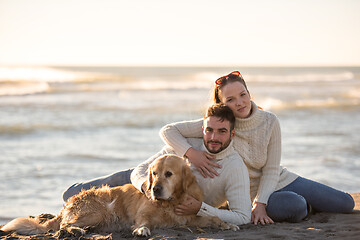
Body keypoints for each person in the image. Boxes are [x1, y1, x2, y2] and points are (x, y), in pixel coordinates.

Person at [159, 71, 355, 225]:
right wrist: (192, 154)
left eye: (242, 95)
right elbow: (168, 131)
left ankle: (307, 202)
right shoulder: (222, 126)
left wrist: (261, 204)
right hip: (249, 194)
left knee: (347, 203)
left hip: (280, 180)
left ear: (249, 93)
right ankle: (307, 205)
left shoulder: (270, 121)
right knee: (296, 206)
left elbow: (271, 170)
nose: (240, 102)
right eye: (231, 100)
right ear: (222, 104)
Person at [63, 104, 252, 226]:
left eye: (221, 131)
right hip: (141, 181)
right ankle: (70, 196)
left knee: (86, 210)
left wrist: (199, 208)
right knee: (72, 196)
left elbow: (244, 217)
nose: (213, 137)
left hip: (155, 193)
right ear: (202, 129)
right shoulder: (186, 145)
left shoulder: (235, 167)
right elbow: (139, 170)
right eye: (209, 130)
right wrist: (148, 186)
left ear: (232, 134)